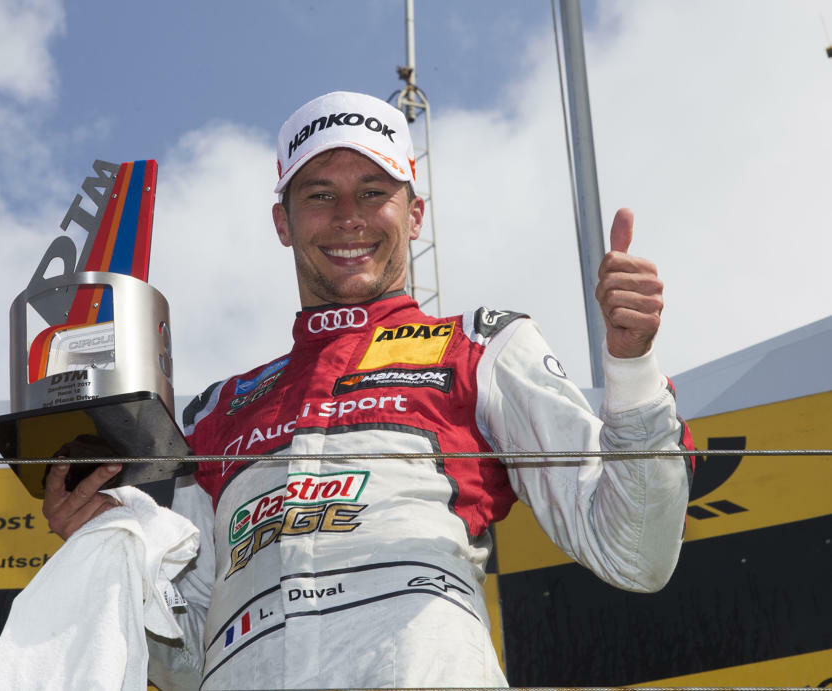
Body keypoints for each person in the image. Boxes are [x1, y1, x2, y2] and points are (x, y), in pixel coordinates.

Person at [43, 91, 694, 689]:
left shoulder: (481, 347)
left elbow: (636, 551)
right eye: (320, 195)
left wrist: (632, 367)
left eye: (374, 191)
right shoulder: (214, 410)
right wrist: (112, 562)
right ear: (282, 221)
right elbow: (191, 655)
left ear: (414, 214)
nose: (349, 218)